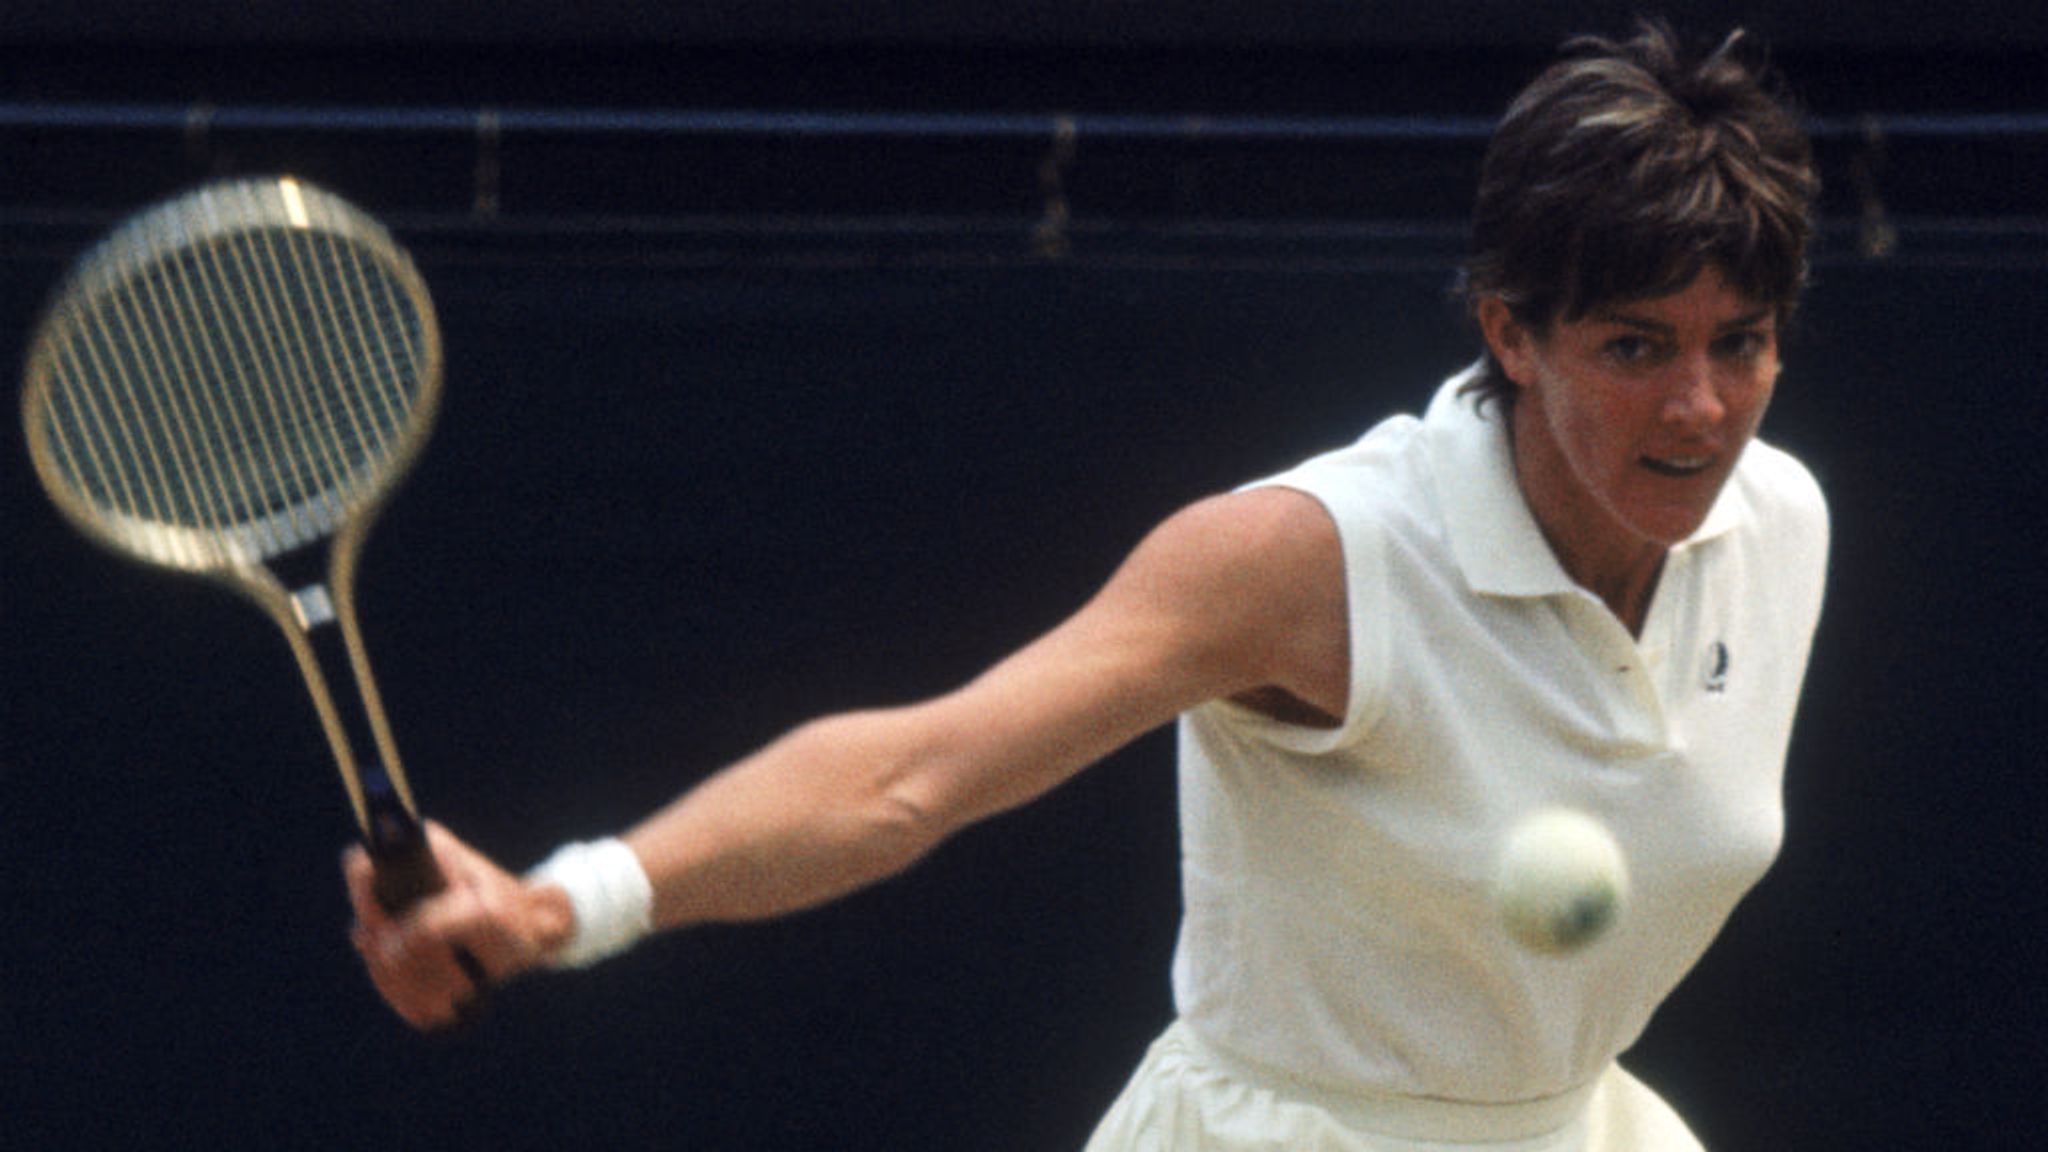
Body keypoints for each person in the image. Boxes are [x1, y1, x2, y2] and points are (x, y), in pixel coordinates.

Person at [346, 21, 1827, 1151]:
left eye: (1742, 343)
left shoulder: (1779, 525)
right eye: (1634, 346)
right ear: (1511, 333)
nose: (1700, 407)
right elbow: (910, 778)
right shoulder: (1314, 559)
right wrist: (564, 904)